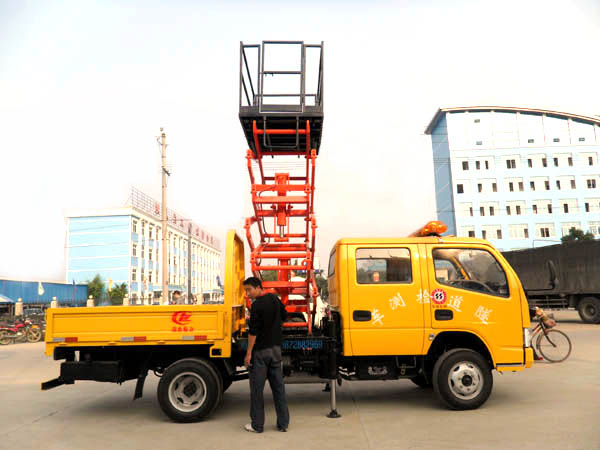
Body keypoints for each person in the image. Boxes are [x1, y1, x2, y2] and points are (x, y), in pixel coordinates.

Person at [243, 277, 289, 433]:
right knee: (279, 389)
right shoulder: (274, 299)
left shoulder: (257, 306)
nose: (247, 293)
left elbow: (253, 332)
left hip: (261, 352)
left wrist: (248, 353)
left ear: (258, 287)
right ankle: (283, 424)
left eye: (249, 289)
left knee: (257, 390)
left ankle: (257, 425)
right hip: (276, 350)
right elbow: (285, 316)